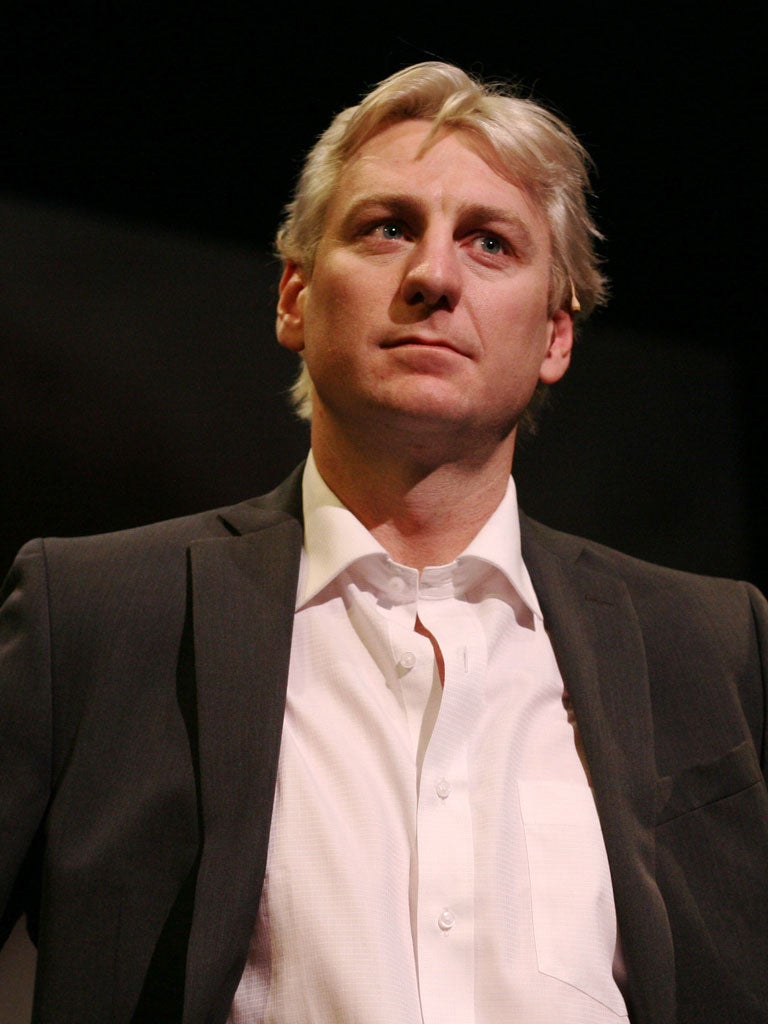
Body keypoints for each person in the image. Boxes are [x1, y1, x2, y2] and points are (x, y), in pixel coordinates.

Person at [1, 61, 766, 1024]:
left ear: (555, 336)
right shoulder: (96, 617)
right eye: (387, 228)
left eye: (490, 243)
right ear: (294, 297)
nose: (434, 277)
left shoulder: (712, 643)